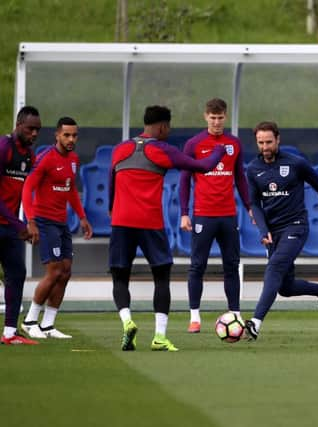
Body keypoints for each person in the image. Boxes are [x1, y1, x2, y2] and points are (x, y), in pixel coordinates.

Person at [109, 105, 225, 352]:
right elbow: (202, 167)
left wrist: (114, 213)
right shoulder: (161, 149)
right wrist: (219, 151)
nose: (169, 131)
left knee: (120, 277)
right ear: (162, 126)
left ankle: (127, 321)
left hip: (120, 222)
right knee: (161, 277)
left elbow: (111, 186)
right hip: (149, 223)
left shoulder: (120, 149)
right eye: (168, 127)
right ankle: (159, 337)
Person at [243, 121, 318, 340]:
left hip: (296, 226)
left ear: (277, 140)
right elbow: (254, 204)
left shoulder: (296, 163)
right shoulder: (253, 169)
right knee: (284, 287)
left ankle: (255, 323)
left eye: (268, 142)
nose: (265, 147)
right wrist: (263, 229)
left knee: (274, 268)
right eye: (260, 143)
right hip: (272, 232)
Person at [179, 98, 251, 333]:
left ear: (225, 117)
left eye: (220, 118)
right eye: (213, 117)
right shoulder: (194, 144)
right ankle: (194, 317)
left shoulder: (234, 144)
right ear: (205, 116)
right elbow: (184, 179)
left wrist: (249, 205)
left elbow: (240, 177)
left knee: (232, 265)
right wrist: (184, 213)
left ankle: (236, 315)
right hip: (203, 214)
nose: (217, 122)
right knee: (197, 265)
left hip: (228, 215)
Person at [21, 117, 93, 340]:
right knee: (54, 272)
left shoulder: (73, 159)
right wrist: (30, 221)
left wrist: (82, 217)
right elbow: (27, 188)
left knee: (66, 272)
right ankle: (30, 320)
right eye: (67, 135)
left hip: (61, 223)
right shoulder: (45, 159)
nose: (71, 139)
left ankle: (48, 324)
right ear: (57, 135)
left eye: (74, 135)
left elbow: (70, 189)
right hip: (44, 221)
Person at [0, 106, 40, 345]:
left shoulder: (29, 156)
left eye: (37, 130)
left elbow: (25, 193)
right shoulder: (4, 148)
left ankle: (9, 333)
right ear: (18, 125)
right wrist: (19, 224)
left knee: (17, 273)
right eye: (30, 129)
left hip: (10, 227)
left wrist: (29, 222)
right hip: (7, 224)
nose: (34, 134)